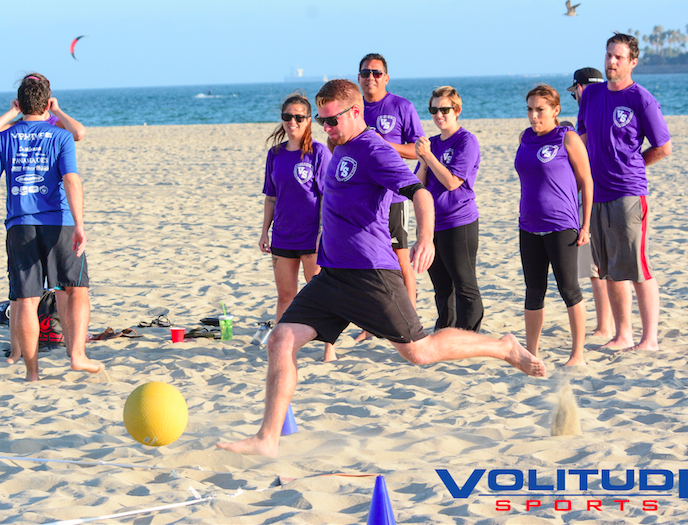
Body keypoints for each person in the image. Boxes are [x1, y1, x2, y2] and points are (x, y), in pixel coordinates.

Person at [216, 79, 546, 457]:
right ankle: (267, 439)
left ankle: (502, 347)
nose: (326, 128)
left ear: (355, 112)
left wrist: (426, 238)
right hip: (333, 273)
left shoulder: (374, 150)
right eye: (321, 122)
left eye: (331, 121)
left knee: (419, 351)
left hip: (371, 274)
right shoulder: (339, 148)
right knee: (281, 339)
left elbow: (418, 192)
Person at [0, 73, 102, 382]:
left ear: (19, 104)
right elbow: (72, 179)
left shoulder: (4, 138)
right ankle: (77, 355)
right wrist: (80, 224)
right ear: (47, 102)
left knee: (28, 300)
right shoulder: (58, 135)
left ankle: (32, 373)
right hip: (59, 222)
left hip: (20, 226)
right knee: (76, 290)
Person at [577, 33, 672, 352]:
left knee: (637, 265)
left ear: (632, 62)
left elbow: (663, 146)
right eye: (608, 55)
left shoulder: (640, 98)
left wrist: (633, 166)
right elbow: (583, 137)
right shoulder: (591, 95)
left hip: (628, 193)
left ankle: (650, 339)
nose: (611, 61)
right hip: (596, 194)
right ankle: (623, 334)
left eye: (618, 57)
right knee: (609, 268)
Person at [516, 85, 594, 366]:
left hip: (562, 225)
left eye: (540, 110)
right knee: (533, 290)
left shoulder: (567, 137)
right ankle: (532, 353)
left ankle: (578, 355)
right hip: (528, 225)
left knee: (569, 288)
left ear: (555, 110)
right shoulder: (525, 138)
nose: (534, 116)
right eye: (530, 109)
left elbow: (587, 181)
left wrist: (585, 226)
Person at [261, 92, 336, 362]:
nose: (292, 122)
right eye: (287, 117)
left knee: (319, 292)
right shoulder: (275, 154)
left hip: (312, 237)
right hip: (282, 235)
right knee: (285, 295)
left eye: (299, 117)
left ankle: (329, 347)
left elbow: (328, 197)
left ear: (308, 121)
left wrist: (322, 233)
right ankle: (280, 346)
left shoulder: (318, 152)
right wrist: (264, 231)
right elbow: (271, 196)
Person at [354, 53, 424, 342]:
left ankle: (411, 322)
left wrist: (385, 146)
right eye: (365, 72)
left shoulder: (400, 106)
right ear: (358, 77)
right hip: (361, 199)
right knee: (366, 261)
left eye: (376, 72)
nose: (371, 77)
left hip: (393, 199)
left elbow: (419, 149)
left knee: (400, 260)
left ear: (386, 77)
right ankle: (369, 326)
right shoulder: (353, 108)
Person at [414, 86, 484, 332]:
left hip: (459, 222)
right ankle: (445, 331)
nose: (438, 115)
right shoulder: (431, 143)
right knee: (442, 288)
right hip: (433, 224)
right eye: (434, 109)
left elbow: (453, 182)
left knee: (464, 285)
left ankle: (469, 334)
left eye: (444, 109)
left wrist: (429, 157)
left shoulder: (466, 140)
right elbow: (418, 186)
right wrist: (423, 160)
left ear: (457, 111)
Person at [566, 67, 622, 340]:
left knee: (595, 267)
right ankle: (609, 324)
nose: (576, 96)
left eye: (575, 91)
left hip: (595, 196)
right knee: (608, 264)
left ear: (579, 88)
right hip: (616, 194)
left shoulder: (587, 113)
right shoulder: (610, 109)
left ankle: (604, 325)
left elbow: (581, 168)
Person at [0, 73, 85, 145]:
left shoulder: (57, 124)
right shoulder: (16, 127)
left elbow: (78, 133)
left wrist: (57, 111)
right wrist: (12, 113)